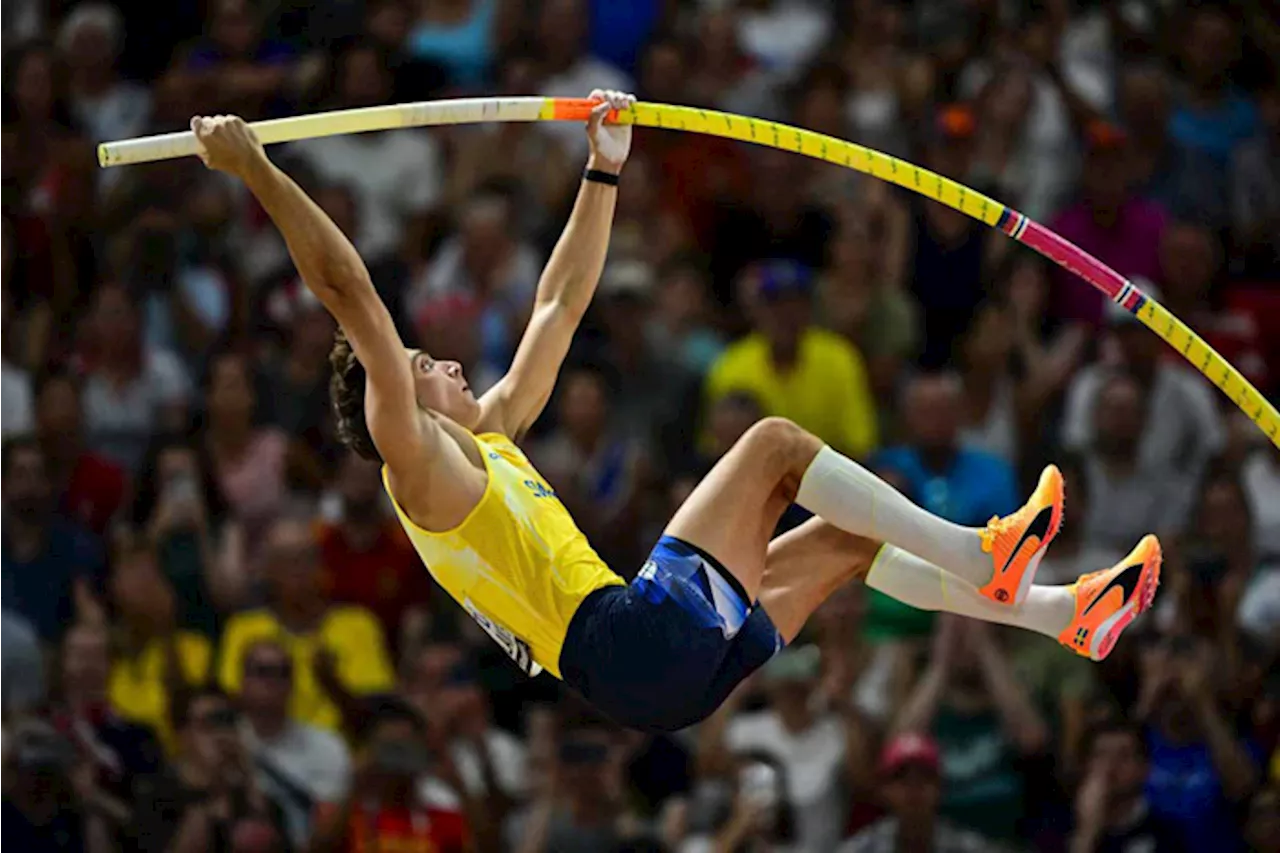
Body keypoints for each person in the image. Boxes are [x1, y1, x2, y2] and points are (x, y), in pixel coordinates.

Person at [189, 90, 1161, 735]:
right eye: (414, 365)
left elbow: (558, 305)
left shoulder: (483, 438)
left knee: (843, 540)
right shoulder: (416, 466)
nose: (436, 361)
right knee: (774, 445)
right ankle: (977, 552)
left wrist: (602, 166)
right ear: (387, 400)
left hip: (649, 681)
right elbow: (347, 290)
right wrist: (257, 172)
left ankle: (1058, 614)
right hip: (625, 636)